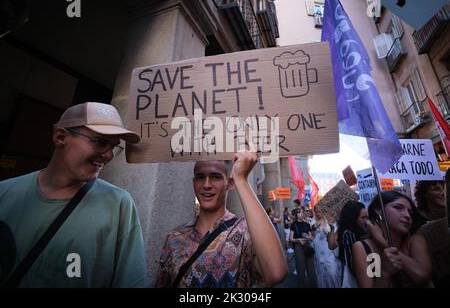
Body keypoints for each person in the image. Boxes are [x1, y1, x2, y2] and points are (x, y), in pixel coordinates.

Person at [0, 102, 149, 287]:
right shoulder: (4, 193)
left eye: (113, 146)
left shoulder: (118, 204)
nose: (109, 155)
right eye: (101, 142)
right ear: (60, 136)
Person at [155, 150, 288, 288]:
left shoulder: (245, 234)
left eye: (215, 177)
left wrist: (241, 179)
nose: (206, 185)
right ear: (194, 183)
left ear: (229, 184)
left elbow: (276, 272)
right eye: (200, 177)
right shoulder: (174, 238)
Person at [352, 191, 432, 288]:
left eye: (410, 212)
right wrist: (384, 273)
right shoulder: (363, 248)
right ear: (379, 211)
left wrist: (384, 244)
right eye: (398, 208)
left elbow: (422, 276)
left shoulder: (414, 241)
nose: (407, 215)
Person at [414, 180, 450, 287]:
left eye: (444, 188)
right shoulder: (417, 222)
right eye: (436, 189)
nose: (443, 192)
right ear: (424, 194)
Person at [328, 200, 368, 288]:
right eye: (363, 218)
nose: (366, 221)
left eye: (367, 218)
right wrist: (331, 228)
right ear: (353, 217)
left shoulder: (366, 231)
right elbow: (331, 246)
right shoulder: (348, 234)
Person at [312, 207, 341, 288]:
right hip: (318, 250)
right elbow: (312, 234)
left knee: (331, 271)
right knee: (321, 271)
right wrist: (315, 229)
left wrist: (328, 233)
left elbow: (335, 235)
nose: (318, 214)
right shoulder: (313, 221)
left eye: (320, 211)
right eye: (316, 212)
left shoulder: (330, 221)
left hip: (329, 250)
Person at [290, 208, 317, 287]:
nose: (301, 214)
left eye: (302, 212)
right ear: (296, 214)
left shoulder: (307, 224)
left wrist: (308, 238)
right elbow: (291, 238)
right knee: (300, 269)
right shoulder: (293, 225)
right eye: (299, 212)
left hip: (308, 246)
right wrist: (298, 240)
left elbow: (311, 237)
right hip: (298, 247)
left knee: (311, 270)